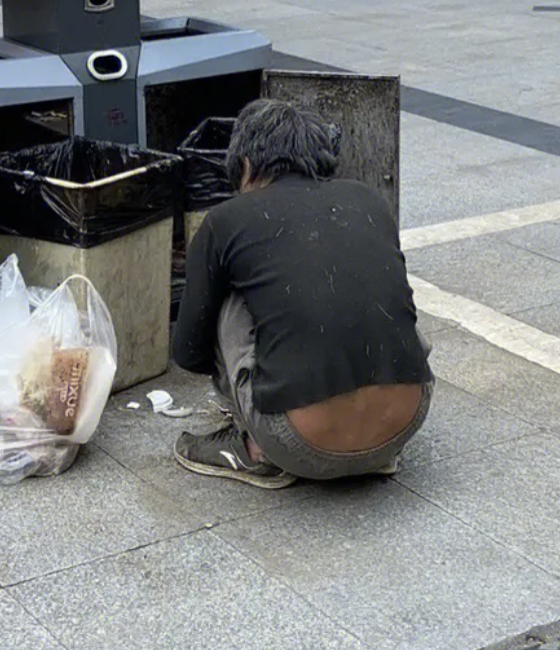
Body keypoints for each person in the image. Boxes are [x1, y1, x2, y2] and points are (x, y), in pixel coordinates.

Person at [171, 99, 434, 489]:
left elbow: (188, 352)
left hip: (296, 444)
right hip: (404, 426)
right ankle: (370, 452)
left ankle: (254, 449)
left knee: (230, 297)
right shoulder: (368, 200)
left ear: (244, 165)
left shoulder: (226, 220)